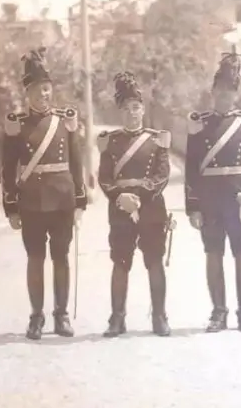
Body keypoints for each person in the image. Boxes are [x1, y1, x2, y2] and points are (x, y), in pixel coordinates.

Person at [1, 47, 87, 340]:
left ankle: (61, 316)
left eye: (47, 89)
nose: (44, 95)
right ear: (28, 94)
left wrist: (80, 203)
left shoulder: (65, 121)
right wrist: (10, 206)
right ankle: (36, 317)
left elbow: (77, 162)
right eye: (38, 90)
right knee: (35, 259)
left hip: (63, 200)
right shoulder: (18, 124)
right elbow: (8, 167)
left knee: (61, 258)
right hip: (32, 202)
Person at [184, 47, 241, 334]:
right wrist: (193, 206)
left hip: (238, 199)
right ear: (213, 92)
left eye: (229, 91)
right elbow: (192, 168)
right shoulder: (199, 124)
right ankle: (218, 312)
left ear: (236, 93)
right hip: (210, 201)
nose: (224, 96)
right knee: (213, 254)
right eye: (220, 90)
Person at [97, 71, 172, 337]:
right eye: (127, 108)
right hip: (120, 211)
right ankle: (117, 318)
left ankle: (160, 317)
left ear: (143, 110)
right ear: (121, 112)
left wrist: (138, 196)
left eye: (136, 108)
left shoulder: (156, 140)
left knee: (154, 262)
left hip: (151, 209)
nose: (132, 113)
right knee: (120, 262)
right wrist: (120, 198)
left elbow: (162, 175)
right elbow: (104, 177)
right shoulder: (111, 142)